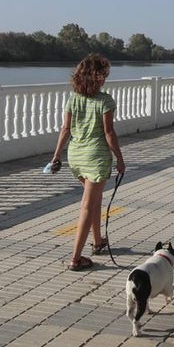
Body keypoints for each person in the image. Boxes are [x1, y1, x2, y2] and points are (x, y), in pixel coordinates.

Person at [49, 54, 126, 271]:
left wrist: (57, 155)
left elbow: (65, 129)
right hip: (96, 158)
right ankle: (76, 259)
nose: (105, 79)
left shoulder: (73, 98)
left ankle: (98, 241)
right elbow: (109, 133)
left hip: (76, 156)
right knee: (87, 206)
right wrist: (120, 159)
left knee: (94, 199)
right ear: (96, 76)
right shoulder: (105, 101)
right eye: (103, 75)